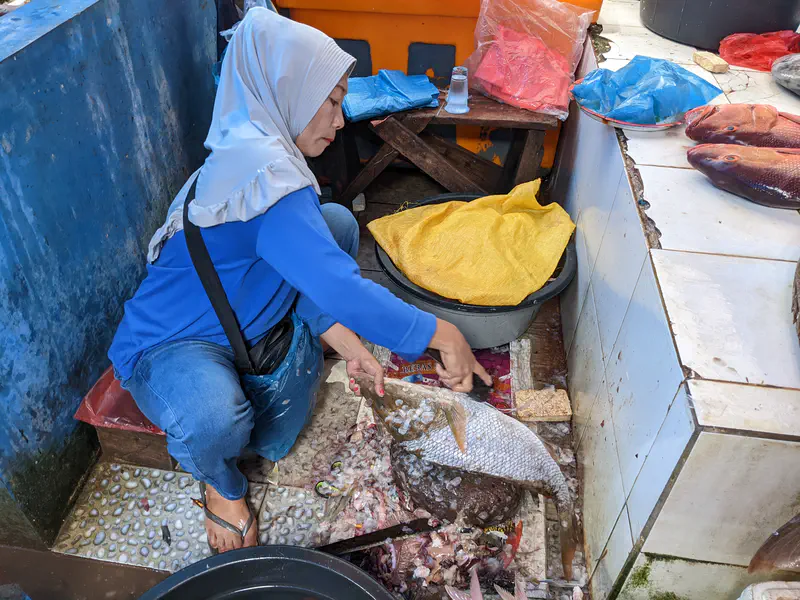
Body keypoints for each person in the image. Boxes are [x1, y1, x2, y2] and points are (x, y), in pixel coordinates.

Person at [108, 7, 490, 554]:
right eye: (331, 102)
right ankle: (222, 487)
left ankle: (309, 342)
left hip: (240, 307)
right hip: (172, 342)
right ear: (285, 89)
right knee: (215, 419)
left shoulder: (253, 145)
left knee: (332, 223)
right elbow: (340, 288)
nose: (340, 120)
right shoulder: (266, 178)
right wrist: (444, 334)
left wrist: (348, 341)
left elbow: (307, 271)